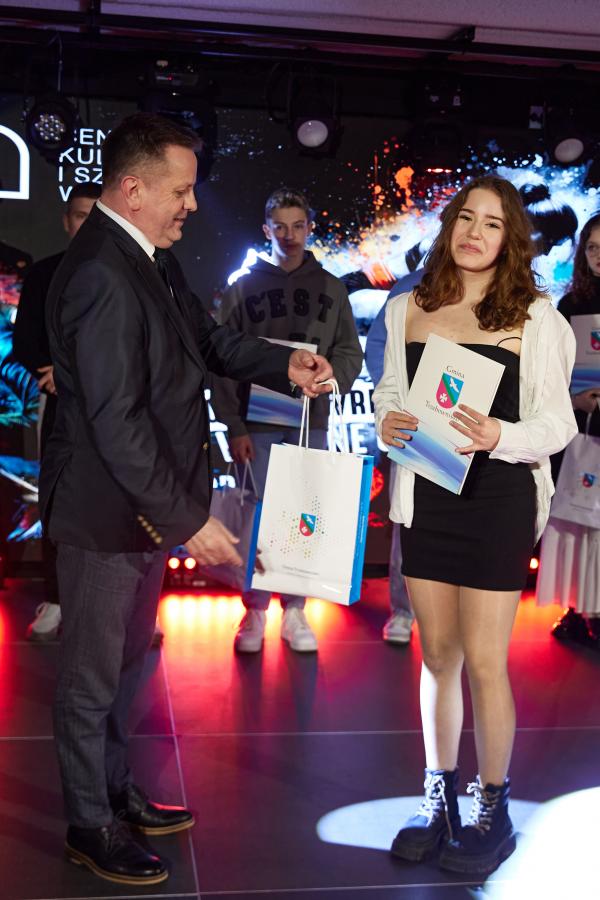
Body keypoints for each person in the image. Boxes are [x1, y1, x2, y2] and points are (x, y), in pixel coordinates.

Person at [39, 113, 333, 887]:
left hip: (139, 510)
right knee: (90, 681)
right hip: (105, 515)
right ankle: (90, 825)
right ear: (134, 190)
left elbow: (206, 342)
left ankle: (115, 793)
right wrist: (187, 519)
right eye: (182, 191)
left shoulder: (149, 258)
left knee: (126, 666)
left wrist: (284, 363)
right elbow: (116, 421)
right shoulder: (101, 272)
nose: (192, 206)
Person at [373, 175, 576, 877]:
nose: (475, 232)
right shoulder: (406, 307)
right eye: (466, 218)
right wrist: (388, 421)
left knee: (487, 662)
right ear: (449, 226)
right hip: (428, 493)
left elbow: (557, 423)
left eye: (492, 223)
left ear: (509, 238)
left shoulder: (537, 317)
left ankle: (493, 807)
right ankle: (439, 798)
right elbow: (391, 393)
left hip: (497, 499)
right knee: (437, 656)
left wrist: (499, 434)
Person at [211, 188, 362, 654]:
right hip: (257, 420)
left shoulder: (331, 288)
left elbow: (349, 351)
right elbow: (219, 358)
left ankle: (295, 609)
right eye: (280, 226)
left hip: (309, 419)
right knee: (258, 515)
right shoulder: (243, 288)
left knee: (302, 515)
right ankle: (254, 609)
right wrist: (234, 424)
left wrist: (331, 375)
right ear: (266, 230)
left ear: (310, 228)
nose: (289, 235)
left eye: (298, 226)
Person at [12, 184, 102, 642]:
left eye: (95, 216)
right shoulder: (44, 274)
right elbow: (25, 341)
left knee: (116, 503)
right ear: (67, 222)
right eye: (80, 216)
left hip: (116, 410)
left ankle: (125, 605)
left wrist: (72, 373)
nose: (88, 224)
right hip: (62, 407)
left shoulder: (131, 273)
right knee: (58, 502)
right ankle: (56, 597)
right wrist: (52, 372)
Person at [536, 213, 600, 647]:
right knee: (576, 521)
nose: (598, 256)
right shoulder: (570, 305)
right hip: (580, 427)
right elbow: (552, 372)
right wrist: (575, 400)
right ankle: (577, 609)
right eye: (591, 247)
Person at [365, 271, 422, 644]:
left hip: (474, 422)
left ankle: (463, 613)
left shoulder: (497, 283)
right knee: (408, 516)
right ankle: (404, 610)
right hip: (414, 419)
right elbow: (378, 345)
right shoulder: (411, 287)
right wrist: (391, 402)